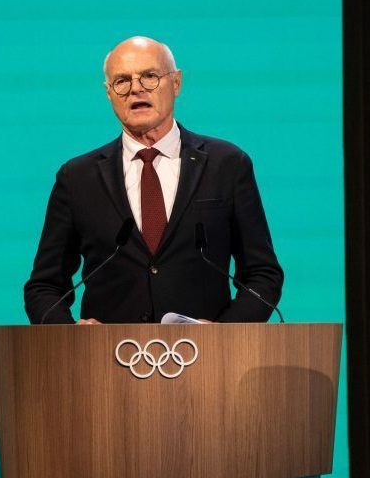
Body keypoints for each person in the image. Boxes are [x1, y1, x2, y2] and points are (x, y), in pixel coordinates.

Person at [23, 36, 283, 324]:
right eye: (122, 81)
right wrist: (70, 335)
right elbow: (44, 286)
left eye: (149, 76)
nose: (136, 88)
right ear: (109, 93)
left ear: (176, 83)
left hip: (206, 352)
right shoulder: (77, 177)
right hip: (108, 351)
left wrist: (224, 335)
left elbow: (262, 275)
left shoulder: (227, 164)